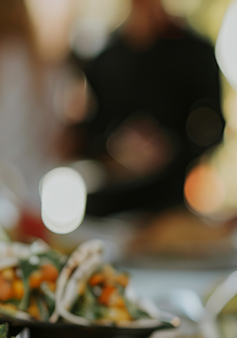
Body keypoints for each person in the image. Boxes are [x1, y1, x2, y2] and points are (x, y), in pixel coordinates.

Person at [61, 0, 225, 217]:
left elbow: (212, 127)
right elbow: (86, 134)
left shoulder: (196, 53)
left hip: (169, 203)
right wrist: (114, 148)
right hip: (110, 207)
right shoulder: (104, 58)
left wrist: (170, 146)